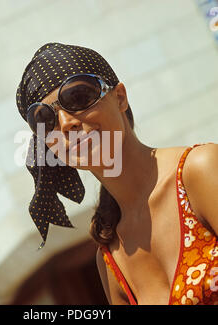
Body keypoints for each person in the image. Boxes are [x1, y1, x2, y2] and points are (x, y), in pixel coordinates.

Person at [16, 42, 218, 305]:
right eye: (46, 120)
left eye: (77, 98)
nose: (66, 123)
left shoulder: (200, 170)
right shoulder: (110, 258)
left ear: (120, 97)